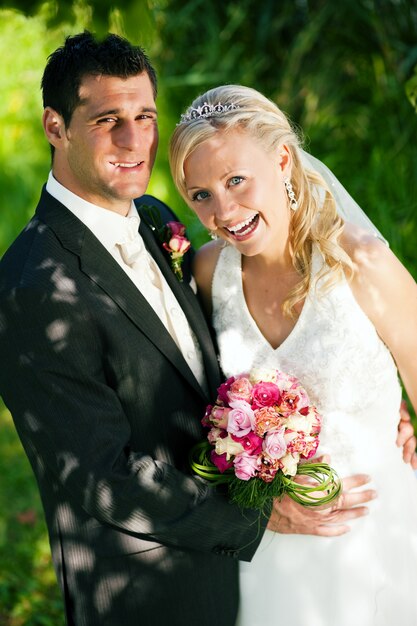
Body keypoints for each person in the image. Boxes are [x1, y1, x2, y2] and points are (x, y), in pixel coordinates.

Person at [0, 32, 413, 626]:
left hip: (356, 541)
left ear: (282, 160)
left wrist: (379, 406)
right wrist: (263, 516)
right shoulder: (34, 287)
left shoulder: (156, 224)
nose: (130, 138)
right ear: (55, 126)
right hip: (150, 584)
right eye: (105, 119)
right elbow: (97, 475)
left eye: (143, 116)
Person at [169, 84, 417, 625]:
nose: (224, 211)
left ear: (283, 159)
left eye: (236, 180)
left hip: (377, 533)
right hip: (273, 543)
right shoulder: (210, 274)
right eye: (200, 195)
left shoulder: (361, 264)